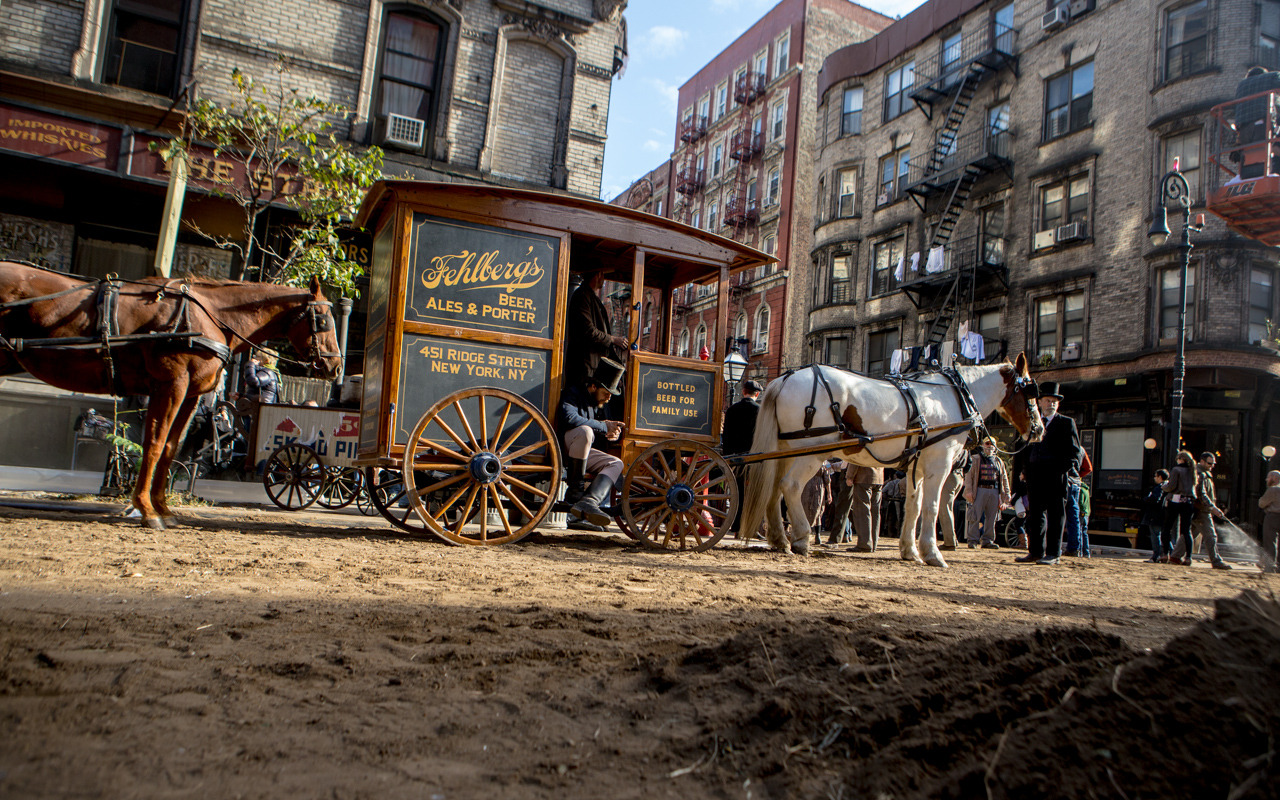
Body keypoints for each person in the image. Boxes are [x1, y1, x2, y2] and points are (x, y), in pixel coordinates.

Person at [1013, 382, 1080, 565]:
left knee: (1056, 515)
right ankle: (1035, 552)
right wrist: (1025, 471)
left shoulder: (1066, 423)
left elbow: (1075, 452)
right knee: (1035, 516)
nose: (1051, 404)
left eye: (1055, 401)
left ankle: (1053, 553)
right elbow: (1026, 450)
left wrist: (1062, 470)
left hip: (1056, 477)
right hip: (1035, 477)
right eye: (1048, 400)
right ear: (1040, 402)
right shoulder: (1034, 423)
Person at [557, 358, 627, 531]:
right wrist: (603, 426)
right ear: (594, 386)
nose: (609, 397)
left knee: (616, 463)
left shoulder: (601, 404)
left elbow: (598, 433)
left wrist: (609, 434)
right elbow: (569, 418)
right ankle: (575, 492)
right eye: (606, 392)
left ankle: (588, 503)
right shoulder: (573, 393)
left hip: (583, 451)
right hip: (562, 448)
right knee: (585, 432)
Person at [565, 269, 629, 390]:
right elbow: (588, 331)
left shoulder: (591, 298)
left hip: (592, 369)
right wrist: (613, 339)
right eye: (603, 274)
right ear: (598, 275)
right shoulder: (582, 296)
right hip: (584, 370)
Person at [1170, 451, 1232, 569]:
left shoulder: (1203, 473)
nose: (1212, 465)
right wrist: (1212, 507)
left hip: (1197, 509)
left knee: (1190, 533)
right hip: (1201, 510)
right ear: (1202, 461)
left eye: (1213, 463)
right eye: (1209, 463)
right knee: (1211, 535)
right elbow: (1201, 494)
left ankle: (1175, 556)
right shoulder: (1200, 473)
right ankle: (1216, 560)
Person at [723, 379, 762, 535]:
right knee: (753, 493)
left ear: (743, 392)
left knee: (737, 492)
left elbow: (726, 435)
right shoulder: (760, 410)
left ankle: (736, 525)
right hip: (754, 457)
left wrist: (726, 457)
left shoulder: (732, 409)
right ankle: (751, 527)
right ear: (757, 394)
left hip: (734, 457)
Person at [962, 438, 1010, 549]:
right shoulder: (975, 459)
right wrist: (969, 491)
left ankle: (988, 540)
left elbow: (1004, 479)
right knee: (974, 516)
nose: (990, 446)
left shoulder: (998, 461)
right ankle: (972, 540)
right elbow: (969, 476)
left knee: (992, 518)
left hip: (994, 490)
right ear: (983, 445)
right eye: (987, 443)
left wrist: (1006, 496)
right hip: (979, 489)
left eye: (992, 444)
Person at [1162, 450, 1200, 566]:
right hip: (1188, 502)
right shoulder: (1192, 471)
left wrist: (1164, 486)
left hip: (1176, 501)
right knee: (1186, 531)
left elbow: (1171, 486)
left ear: (1181, 459)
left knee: (1167, 528)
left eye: (1178, 459)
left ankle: (1165, 554)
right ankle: (1188, 557)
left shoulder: (1176, 470)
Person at [1142, 469, 1170, 563]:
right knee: (1164, 536)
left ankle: (1156, 556)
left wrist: (1147, 498)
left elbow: (1155, 499)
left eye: (1156, 476)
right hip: (1165, 514)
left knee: (1155, 535)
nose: (1154, 478)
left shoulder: (1159, 487)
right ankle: (1172, 554)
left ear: (1160, 477)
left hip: (1155, 515)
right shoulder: (1168, 486)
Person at [1258, 469, 1280, 573]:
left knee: (1270, 542)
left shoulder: (1273, 490)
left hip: (1273, 517)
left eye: (1268, 477)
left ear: (1274, 478)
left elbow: (1262, 503)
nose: (1266, 480)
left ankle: (1270, 566)